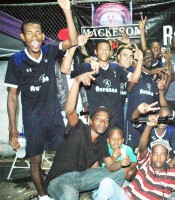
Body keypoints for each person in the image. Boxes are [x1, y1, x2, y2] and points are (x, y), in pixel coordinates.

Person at [4, 0, 77, 199]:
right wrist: (12, 127)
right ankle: (43, 196)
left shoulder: (49, 50)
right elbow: (12, 97)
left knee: (64, 155)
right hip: (32, 120)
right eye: (29, 33)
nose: (34, 37)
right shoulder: (16, 60)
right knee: (35, 160)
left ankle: (59, 188)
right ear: (22, 37)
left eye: (38, 33)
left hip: (53, 116)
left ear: (43, 36)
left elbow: (73, 41)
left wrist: (67, 11)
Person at [96, 102, 175, 200]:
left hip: (164, 166)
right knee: (107, 182)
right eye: (161, 117)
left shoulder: (171, 131)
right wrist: (147, 123)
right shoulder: (149, 127)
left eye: (166, 118)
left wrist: (164, 170)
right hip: (132, 188)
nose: (163, 120)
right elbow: (141, 144)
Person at [45, 71, 125, 199]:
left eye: (106, 120)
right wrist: (76, 82)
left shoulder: (101, 142)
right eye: (99, 118)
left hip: (82, 178)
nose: (102, 122)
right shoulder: (78, 128)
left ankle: (99, 195)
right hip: (60, 179)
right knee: (70, 194)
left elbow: (110, 166)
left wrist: (121, 163)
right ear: (90, 120)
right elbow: (70, 110)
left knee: (120, 173)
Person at [71, 40, 143, 131]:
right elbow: (65, 69)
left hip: (116, 120)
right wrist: (75, 49)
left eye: (107, 49)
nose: (104, 52)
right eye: (101, 49)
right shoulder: (87, 67)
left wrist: (140, 60)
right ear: (95, 52)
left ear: (110, 52)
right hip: (96, 122)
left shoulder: (117, 68)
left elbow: (134, 79)